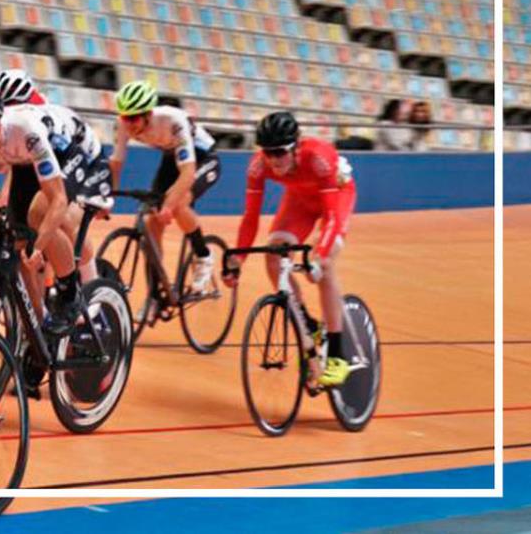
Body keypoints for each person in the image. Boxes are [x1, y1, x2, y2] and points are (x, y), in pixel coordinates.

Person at [0, 87, 112, 337]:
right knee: (17, 240)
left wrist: (40, 244)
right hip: (24, 160)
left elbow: (58, 199)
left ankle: (70, 295)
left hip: (72, 149)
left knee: (38, 215)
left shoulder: (25, 131)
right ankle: (37, 330)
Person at [226, 111, 357, 387]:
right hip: (299, 202)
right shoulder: (258, 166)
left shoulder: (319, 158)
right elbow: (250, 218)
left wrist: (319, 257)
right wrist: (237, 259)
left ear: (296, 147)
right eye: (267, 153)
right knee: (274, 256)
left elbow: (332, 217)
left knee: (321, 268)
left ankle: (338, 354)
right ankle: (309, 326)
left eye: (280, 152)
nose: (273, 160)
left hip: (336, 198)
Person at [109, 80, 221, 293]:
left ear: (148, 114)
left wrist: (168, 205)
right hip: (172, 157)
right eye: (125, 117)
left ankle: (203, 256)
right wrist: (108, 197)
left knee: (177, 205)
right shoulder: (123, 124)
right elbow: (116, 162)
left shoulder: (173, 120)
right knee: (152, 223)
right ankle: (157, 293)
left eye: (133, 117)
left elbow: (188, 172)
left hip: (203, 158)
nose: (128, 123)